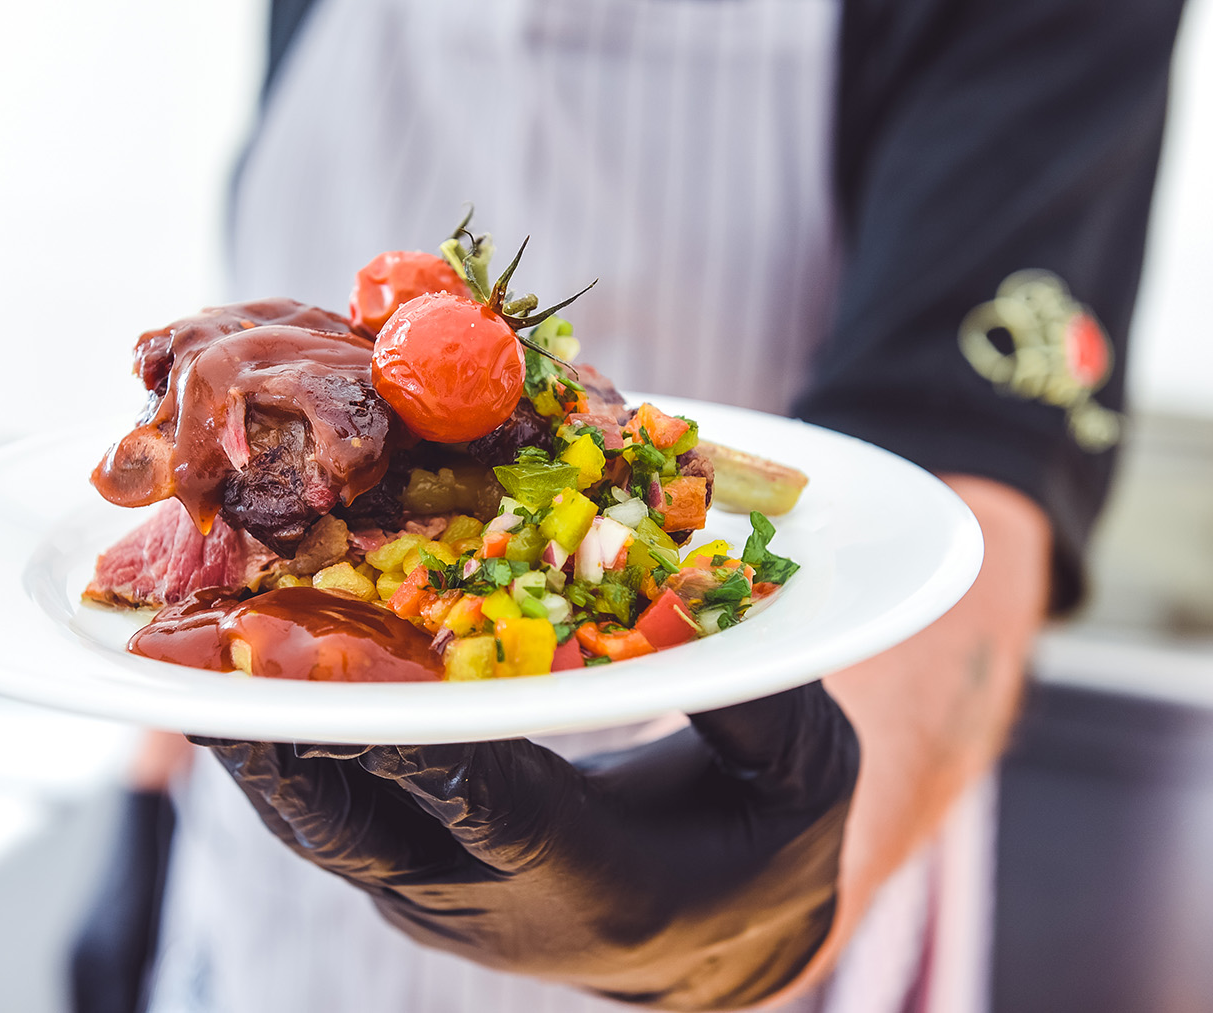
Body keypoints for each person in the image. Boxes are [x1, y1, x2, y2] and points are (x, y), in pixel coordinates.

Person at [73, 0, 1186, 1009]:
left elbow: (958, 485)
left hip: (750, 863)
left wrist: (752, 928)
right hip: (267, 917)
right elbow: (238, 497)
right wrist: (146, 809)